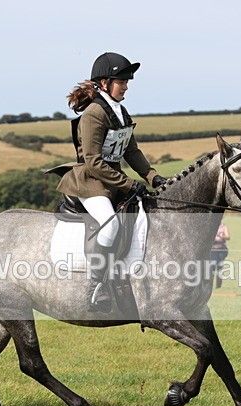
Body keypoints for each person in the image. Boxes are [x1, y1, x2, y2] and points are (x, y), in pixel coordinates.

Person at [50, 52, 166, 312]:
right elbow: (92, 161)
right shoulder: (94, 113)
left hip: (111, 180)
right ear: (104, 83)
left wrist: (152, 176)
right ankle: (96, 285)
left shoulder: (120, 111)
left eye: (126, 82)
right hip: (90, 182)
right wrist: (128, 184)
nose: (125, 87)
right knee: (110, 224)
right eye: (121, 82)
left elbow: (131, 151)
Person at [210, 223, 230, 289]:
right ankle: (210, 285)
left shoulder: (223, 226)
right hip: (212, 250)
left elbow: (228, 237)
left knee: (219, 268)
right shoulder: (211, 225)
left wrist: (222, 236)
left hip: (221, 250)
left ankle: (218, 286)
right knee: (212, 267)